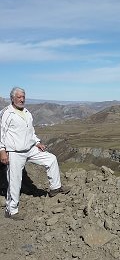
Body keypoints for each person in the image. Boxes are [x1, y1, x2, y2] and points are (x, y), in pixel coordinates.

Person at [0, 87, 70, 220]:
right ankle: (11, 210)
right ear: (12, 98)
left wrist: (37, 142)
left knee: (51, 159)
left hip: (30, 148)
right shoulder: (6, 113)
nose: (22, 99)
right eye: (19, 97)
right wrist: (2, 151)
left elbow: (30, 131)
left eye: (23, 96)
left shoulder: (27, 112)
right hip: (15, 152)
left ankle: (55, 188)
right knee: (15, 181)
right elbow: (0, 134)